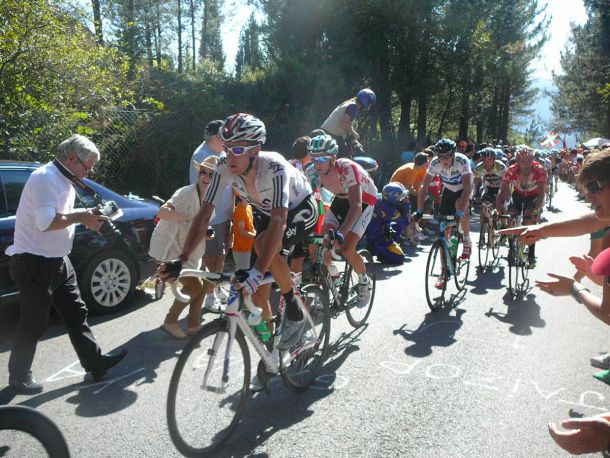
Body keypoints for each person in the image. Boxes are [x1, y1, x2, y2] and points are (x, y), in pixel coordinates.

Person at [161, 113, 318, 354]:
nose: (229, 156)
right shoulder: (223, 167)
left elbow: (279, 220)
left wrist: (256, 271)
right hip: (265, 210)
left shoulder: (275, 166)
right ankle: (272, 353)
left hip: (299, 207)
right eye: (226, 147)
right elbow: (204, 215)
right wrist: (182, 259)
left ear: (255, 151)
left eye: (238, 150)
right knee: (257, 293)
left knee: (265, 246)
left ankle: (295, 310)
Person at [5, 134, 128, 394]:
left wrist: (90, 217)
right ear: (72, 158)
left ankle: (95, 364)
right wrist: (82, 217)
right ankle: (18, 377)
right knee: (34, 323)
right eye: (88, 166)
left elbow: (65, 217)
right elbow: (46, 222)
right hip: (33, 262)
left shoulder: (65, 179)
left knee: (76, 313)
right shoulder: (44, 179)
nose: (90, 172)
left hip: (58, 259)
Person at [149, 156, 218, 339]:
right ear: (199, 173)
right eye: (203, 172)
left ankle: (194, 325)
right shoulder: (187, 193)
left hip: (189, 250)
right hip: (171, 249)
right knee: (195, 286)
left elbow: (202, 226)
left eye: (211, 174)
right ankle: (170, 321)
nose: (206, 177)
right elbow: (162, 211)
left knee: (206, 281)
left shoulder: (210, 198)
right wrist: (190, 220)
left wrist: (206, 232)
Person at [307, 134, 377, 305]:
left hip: (364, 200)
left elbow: (356, 206)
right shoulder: (312, 173)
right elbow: (308, 204)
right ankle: (334, 277)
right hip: (341, 198)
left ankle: (364, 281)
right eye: (313, 158)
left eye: (322, 159)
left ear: (333, 158)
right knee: (321, 243)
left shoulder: (346, 168)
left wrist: (341, 233)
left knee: (346, 248)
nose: (317, 163)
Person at [189, 119, 234, 311]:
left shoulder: (221, 151)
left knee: (221, 254)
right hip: (212, 217)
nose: (226, 140)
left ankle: (214, 289)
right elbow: (200, 190)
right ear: (216, 136)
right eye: (223, 135)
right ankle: (208, 297)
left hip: (225, 214)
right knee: (210, 259)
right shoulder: (202, 156)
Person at [414, 138, 474, 263]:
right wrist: (419, 210)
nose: (444, 160)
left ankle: (467, 239)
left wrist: (460, 211)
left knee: (459, 206)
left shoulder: (462, 160)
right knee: (444, 230)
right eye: (441, 156)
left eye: (447, 156)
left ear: (453, 154)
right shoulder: (435, 163)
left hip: (464, 188)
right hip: (449, 189)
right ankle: (444, 270)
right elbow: (423, 186)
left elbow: (467, 188)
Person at [495, 144, 546, 269]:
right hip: (517, 194)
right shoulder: (512, 169)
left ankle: (531, 255)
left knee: (529, 220)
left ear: (532, 160)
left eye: (529, 160)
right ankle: (512, 248)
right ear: (517, 161)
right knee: (511, 217)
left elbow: (541, 193)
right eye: (522, 161)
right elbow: (505, 189)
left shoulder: (539, 169)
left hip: (533, 196)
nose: (526, 164)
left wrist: (537, 210)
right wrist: (503, 204)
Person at [320, 88, 376, 159]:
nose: (369, 107)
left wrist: (354, 140)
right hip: (332, 135)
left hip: (327, 133)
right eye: (370, 104)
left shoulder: (350, 102)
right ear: (366, 101)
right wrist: (355, 134)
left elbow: (346, 126)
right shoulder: (354, 107)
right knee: (345, 160)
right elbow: (344, 123)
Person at [365, 182, 410, 263]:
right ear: (392, 197)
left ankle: (379, 247)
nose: (403, 198)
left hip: (373, 229)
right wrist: (406, 204)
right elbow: (405, 222)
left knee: (396, 227)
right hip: (376, 235)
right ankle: (376, 249)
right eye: (400, 197)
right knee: (400, 257)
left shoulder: (379, 198)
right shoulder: (389, 210)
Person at [390, 152, 429, 243]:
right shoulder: (412, 170)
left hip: (396, 192)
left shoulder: (412, 167)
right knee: (407, 214)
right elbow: (408, 188)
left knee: (406, 214)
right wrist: (418, 195)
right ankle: (407, 237)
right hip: (395, 194)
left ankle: (408, 235)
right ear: (425, 163)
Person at [473, 147, 506, 230]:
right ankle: (482, 233)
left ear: (494, 159)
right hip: (488, 188)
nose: (487, 162)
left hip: (501, 187)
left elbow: (506, 181)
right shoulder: (479, 168)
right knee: (484, 208)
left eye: (490, 160)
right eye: (484, 160)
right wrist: (476, 193)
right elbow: (477, 182)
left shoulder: (500, 166)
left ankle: (503, 226)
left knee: (502, 207)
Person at [232, 196, 256, 271]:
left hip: (249, 249)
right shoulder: (240, 209)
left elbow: (250, 228)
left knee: (247, 276)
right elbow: (242, 232)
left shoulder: (248, 207)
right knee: (242, 276)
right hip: (242, 250)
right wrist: (257, 237)